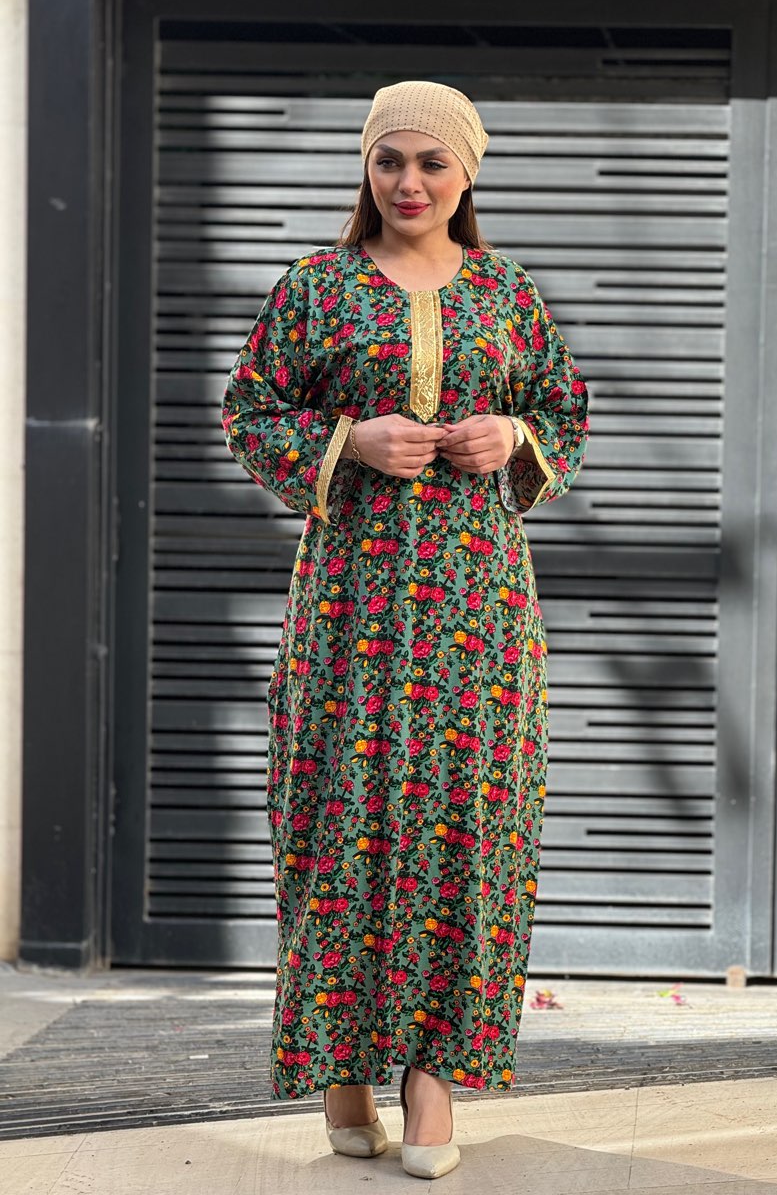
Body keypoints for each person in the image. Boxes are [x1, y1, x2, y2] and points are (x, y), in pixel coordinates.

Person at [220, 79, 589, 1179]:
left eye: (432, 162)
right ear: (366, 169)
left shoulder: (507, 293)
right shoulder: (316, 287)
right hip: (350, 606)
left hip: (480, 607)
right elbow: (249, 409)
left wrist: (513, 434)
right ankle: (341, 1073)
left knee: (469, 823)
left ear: (467, 172)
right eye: (390, 160)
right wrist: (350, 441)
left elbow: (566, 408)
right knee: (339, 818)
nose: (409, 182)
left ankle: (432, 1084)